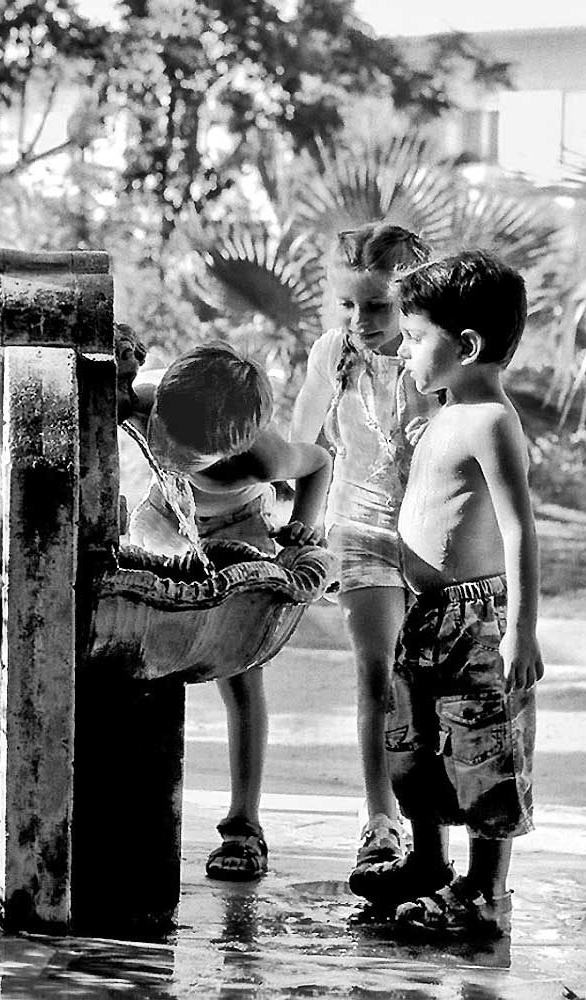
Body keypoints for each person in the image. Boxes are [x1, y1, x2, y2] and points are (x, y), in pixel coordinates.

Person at [352, 250, 543, 940]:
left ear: (465, 346)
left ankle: (485, 890)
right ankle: (429, 864)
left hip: (477, 620)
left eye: (413, 339)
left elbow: (519, 528)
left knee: (483, 748)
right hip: (428, 614)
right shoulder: (446, 414)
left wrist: (521, 629)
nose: (404, 353)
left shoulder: (491, 420)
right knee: (418, 744)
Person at [125, 343, 331, 881]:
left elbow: (319, 462)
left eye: (188, 455)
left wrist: (306, 523)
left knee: (241, 671)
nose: (165, 452)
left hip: (239, 527)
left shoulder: (264, 458)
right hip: (166, 518)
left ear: (229, 450)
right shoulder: (144, 399)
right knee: (140, 640)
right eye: (161, 436)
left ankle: (244, 821)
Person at [288, 223, 436, 884]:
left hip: (431, 536)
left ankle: (431, 829)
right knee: (377, 676)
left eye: (377, 306)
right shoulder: (333, 352)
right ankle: (380, 818)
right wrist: (293, 511)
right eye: (347, 304)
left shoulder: (433, 356)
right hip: (361, 527)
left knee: (426, 684)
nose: (360, 319)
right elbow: (304, 441)